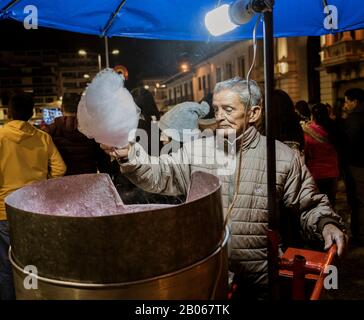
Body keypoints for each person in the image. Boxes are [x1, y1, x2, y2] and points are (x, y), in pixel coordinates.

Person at [102, 77, 347, 299]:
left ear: (253, 113)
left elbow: (308, 201)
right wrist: (129, 156)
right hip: (208, 271)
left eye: (228, 109)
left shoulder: (280, 156)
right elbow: (159, 175)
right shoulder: (198, 148)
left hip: (261, 276)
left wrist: (327, 223)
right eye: (217, 109)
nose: (220, 116)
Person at [0, 93, 66, 300]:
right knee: (32, 263)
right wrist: (42, 187)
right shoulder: (43, 137)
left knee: (5, 266)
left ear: (9, 112)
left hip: (4, 210)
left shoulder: (0, 136)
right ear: (31, 113)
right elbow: (60, 168)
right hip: (34, 209)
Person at [44, 92, 112, 176]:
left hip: (62, 182)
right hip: (89, 181)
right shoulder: (93, 131)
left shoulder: (50, 131)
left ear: (62, 109)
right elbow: (103, 162)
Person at [303, 103, 340, 207]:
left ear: (312, 115)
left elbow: (306, 151)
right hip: (332, 172)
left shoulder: (307, 130)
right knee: (331, 203)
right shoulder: (334, 128)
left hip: (315, 173)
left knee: (318, 204)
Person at [343, 88, 364, 245]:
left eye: (347, 101)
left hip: (357, 164)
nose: (345, 105)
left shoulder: (355, 118)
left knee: (359, 200)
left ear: (355, 102)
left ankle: (360, 234)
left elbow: (350, 142)